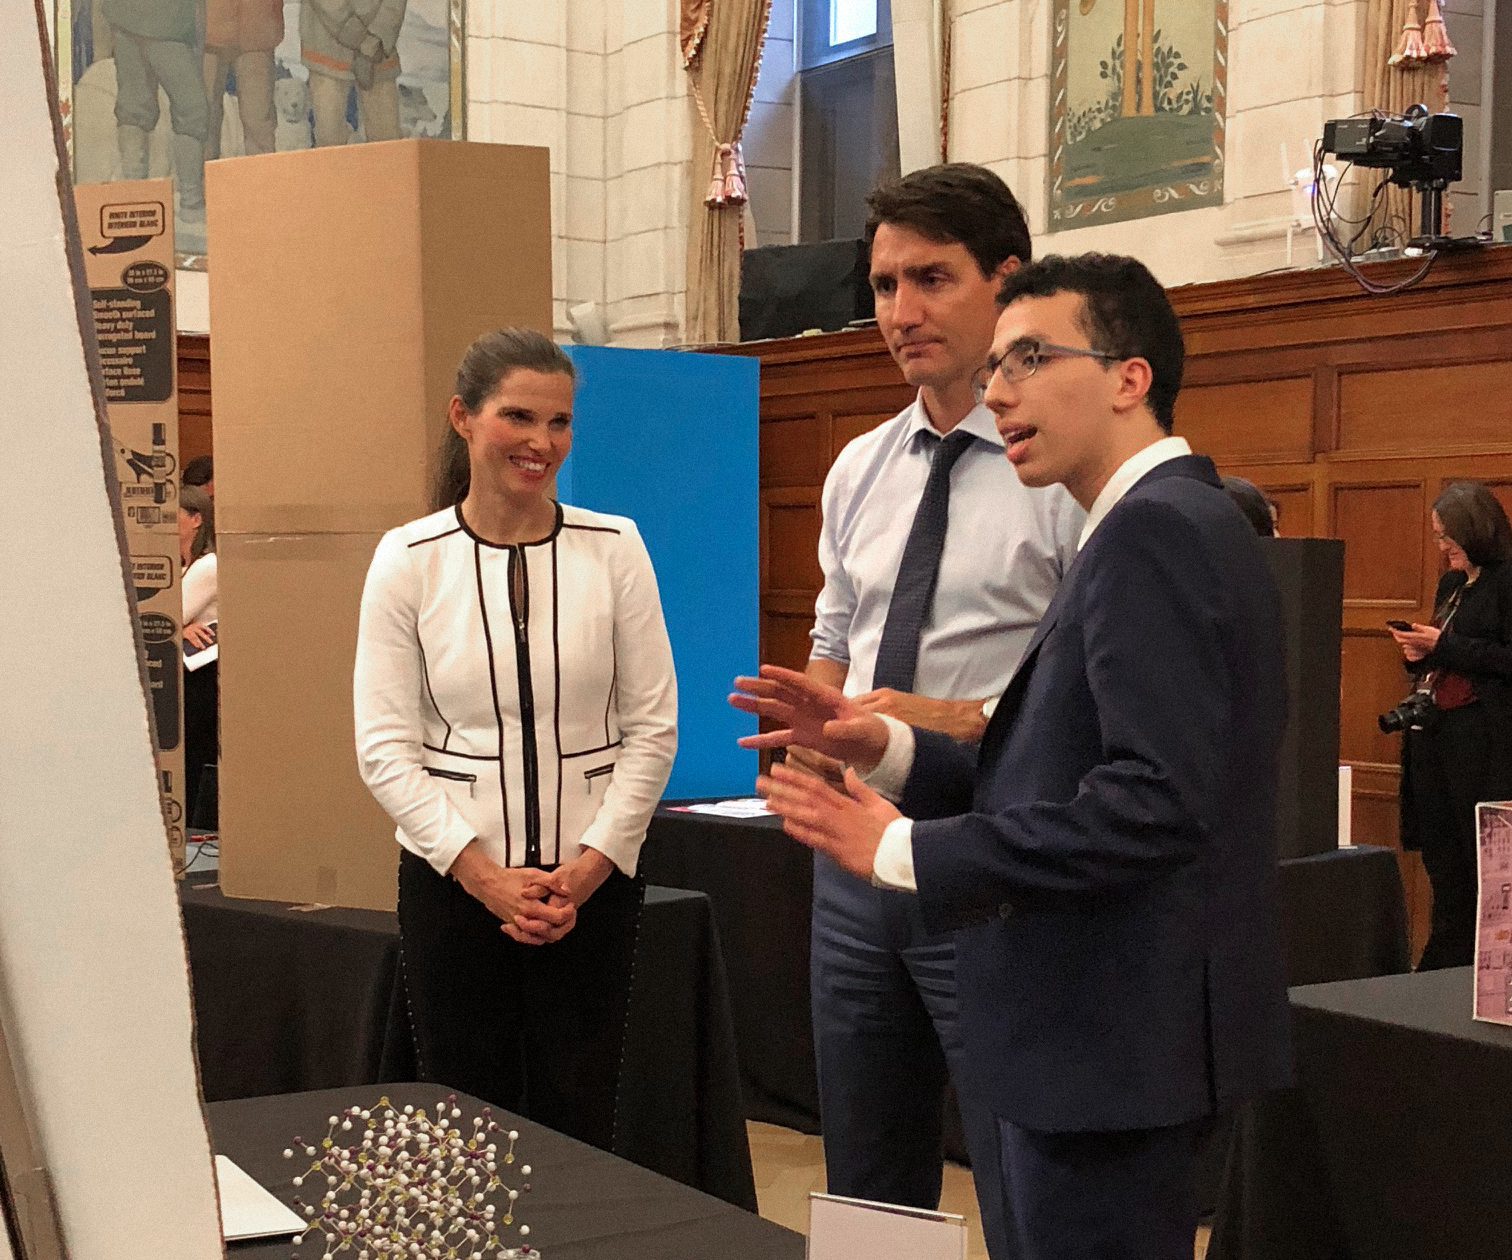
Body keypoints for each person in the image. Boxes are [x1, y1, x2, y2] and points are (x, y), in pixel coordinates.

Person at [735, 254, 1292, 1260]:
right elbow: (1056, 768)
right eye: (997, 365)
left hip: (1108, 1041)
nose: (998, 393)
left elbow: (1151, 807)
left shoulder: (1152, 534)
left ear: (1130, 376)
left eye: (1030, 358)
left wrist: (905, 854)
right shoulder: (1157, 523)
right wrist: (884, 746)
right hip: (1113, 1037)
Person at [798, 163, 1082, 1259]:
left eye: (931, 279)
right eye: (881, 286)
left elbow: (1082, 696)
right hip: (852, 865)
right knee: (866, 1173)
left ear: (1006, 283)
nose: (901, 313)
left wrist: (933, 720)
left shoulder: (1059, 470)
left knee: (1025, 1166)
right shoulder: (859, 466)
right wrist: (810, 717)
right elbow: (835, 638)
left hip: (984, 861)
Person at [354, 328, 677, 1151]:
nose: (541, 442)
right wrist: (485, 877)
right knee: (466, 1127)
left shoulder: (616, 547)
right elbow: (385, 748)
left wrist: (590, 868)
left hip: (593, 895)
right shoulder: (407, 558)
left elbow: (653, 729)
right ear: (464, 417)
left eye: (560, 422)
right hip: (456, 894)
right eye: (519, 416)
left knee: (582, 1119)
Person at [1392, 481, 1512, 970]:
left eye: (1447, 537)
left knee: (1480, 866)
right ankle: (1443, 966)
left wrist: (1443, 647)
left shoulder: (1506, 581)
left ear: (1475, 531)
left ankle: (1483, 972)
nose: (1441, 548)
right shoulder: (1451, 585)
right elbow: (1444, 653)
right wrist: (1419, 651)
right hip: (1435, 735)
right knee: (1442, 863)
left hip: (1483, 741)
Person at [179, 485, 219, 825]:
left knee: (196, 751)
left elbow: (164, 614)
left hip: (202, 672)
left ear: (196, 519)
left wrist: (178, 626)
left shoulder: (208, 566)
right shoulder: (183, 567)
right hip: (187, 673)